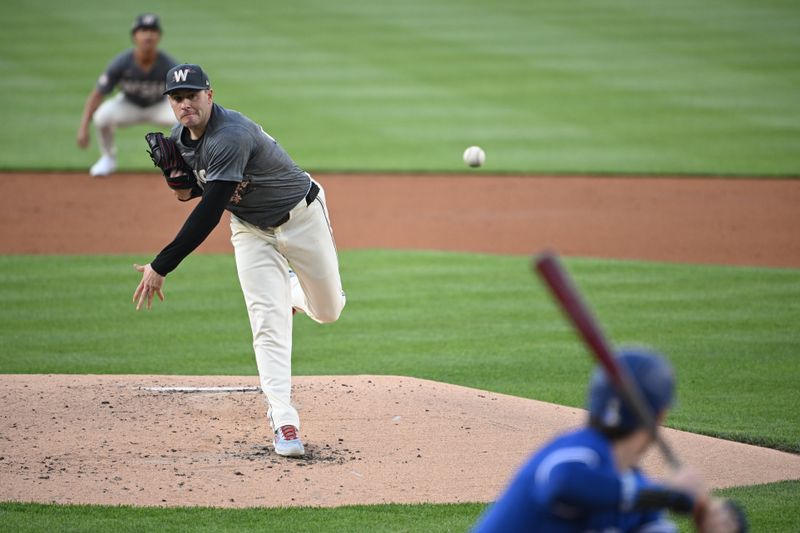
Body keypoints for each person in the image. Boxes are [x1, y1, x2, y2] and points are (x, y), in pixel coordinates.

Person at [131, 64, 346, 458]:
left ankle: (294, 293)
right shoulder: (181, 139)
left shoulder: (231, 135)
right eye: (178, 98)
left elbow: (210, 210)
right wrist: (179, 182)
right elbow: (193, 195)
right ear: (171, 103)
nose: (185, 104)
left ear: (209, 95)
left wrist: (161, 265)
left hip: (301, 217)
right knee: (266, 322)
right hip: (250, 231)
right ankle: (284, 421)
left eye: (193, 95)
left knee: (329, 310)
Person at [473, 348, 746, 533]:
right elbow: (565, 482)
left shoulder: (635, 492)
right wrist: (670, 496)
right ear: (660, 414)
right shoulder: (578, 451)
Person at [77, 13, 178, 176]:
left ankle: (185, 162)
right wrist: (83, 127)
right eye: (143, 30)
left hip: (159, 106)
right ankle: (108, 158)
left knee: (185, 118)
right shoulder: (121, 62)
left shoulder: (169, 64)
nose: (148, 35)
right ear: (134, 36)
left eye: (153, 30)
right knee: (102, 116)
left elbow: (184, 94)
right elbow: (98, 94)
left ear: (159, 36)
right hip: (129, 105)